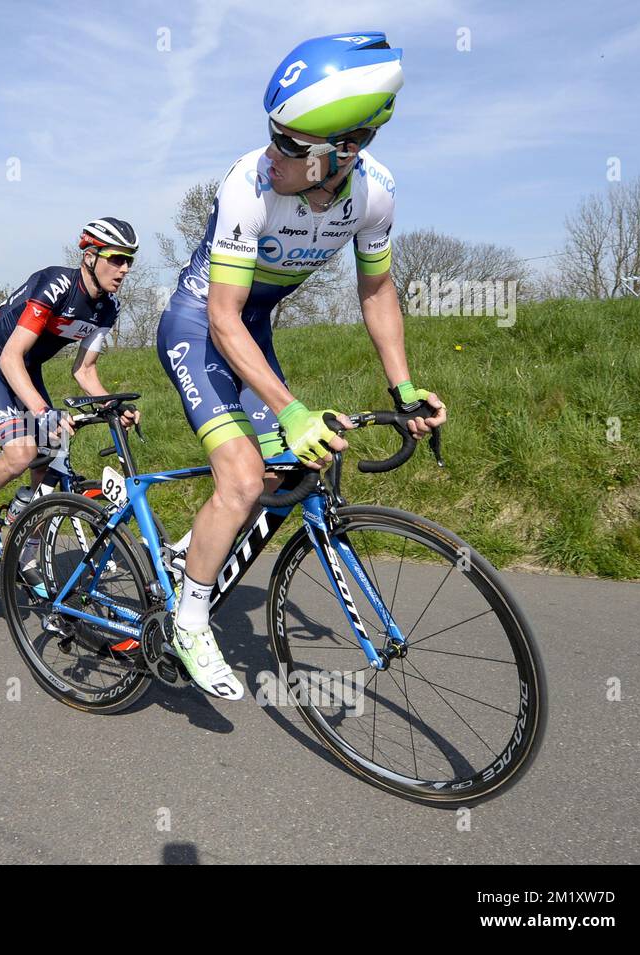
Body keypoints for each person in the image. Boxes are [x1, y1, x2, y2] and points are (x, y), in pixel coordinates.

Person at [154, 33, 447, 699]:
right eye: (274, 134)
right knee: (242, 473)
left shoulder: (373, 195)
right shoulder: (247, 185)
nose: (273, 153)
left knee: (298, 460)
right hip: (200, 324)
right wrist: (288, 407)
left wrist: (403, 387)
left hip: (252, 327)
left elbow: (375, 291)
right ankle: (190, 619)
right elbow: (223, 317)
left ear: (347, 149)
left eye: (292, 145)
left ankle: (189, 550)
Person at [0, 218, 142, 593]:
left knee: (53, 458)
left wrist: (112, 405)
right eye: (117, 259)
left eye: (129, 261)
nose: (125, 269)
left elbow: (84, 370)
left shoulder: (107, 309)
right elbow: (9, 358)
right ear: (89, 256)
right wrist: (42, 411)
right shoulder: (55, 284)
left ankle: (25, 549)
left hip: (25, 367)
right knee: (22, 452)